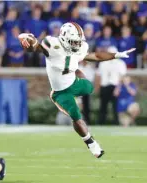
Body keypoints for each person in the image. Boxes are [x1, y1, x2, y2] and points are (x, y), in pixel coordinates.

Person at [18, 22, 135, 158]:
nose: (77, 45)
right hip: (60, 91)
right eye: (74, 42)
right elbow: (35, 47)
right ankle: (91, 143)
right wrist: (28, 39)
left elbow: (95, 56)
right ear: (64, 39)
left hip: (73, 81)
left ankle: (76, 81)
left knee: (89, 87)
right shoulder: (52, 44)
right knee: (77, 117)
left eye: (78, 41)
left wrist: (117, 55)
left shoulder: (81, 46)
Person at [95, 46, 127, 125]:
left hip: (114, 86)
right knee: (103, 106)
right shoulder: (102, 63)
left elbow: (122, 77)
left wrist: (118, 88)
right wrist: (98, 88)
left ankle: (116, 123)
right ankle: (101, 123)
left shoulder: (120, 63)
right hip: (104, 86)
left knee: (115, 107)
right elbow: (99, 76)